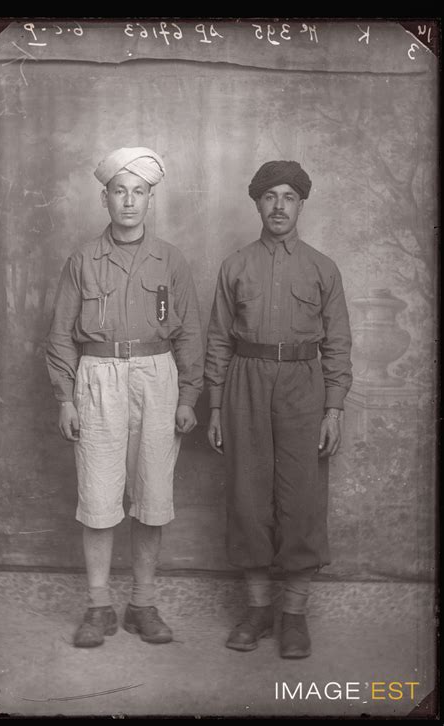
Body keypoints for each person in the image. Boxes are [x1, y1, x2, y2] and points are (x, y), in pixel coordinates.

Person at [46, 146, 203, 648]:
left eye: (138, 192)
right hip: (98, 378)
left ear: (150, 199)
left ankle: (143, 602)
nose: (128, 202)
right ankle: (98, 606)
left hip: (158, 378)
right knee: (98, 496)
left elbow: (190, 335)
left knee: (152, 496)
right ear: (105, 198)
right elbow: (59, 334)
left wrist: (189, 396)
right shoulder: (82, 260)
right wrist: (65, 398)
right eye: (119, 191)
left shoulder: (171, 261)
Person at [205, 160, 352, 658]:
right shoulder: (236, 266)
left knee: (301, 495)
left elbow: (338, 345)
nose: (279, 206)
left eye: (289, 197)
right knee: (248, 495)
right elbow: (219, 342)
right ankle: (257, 609)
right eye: (270, 197)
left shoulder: (322, 268)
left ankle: (294, 616)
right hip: (245, 382)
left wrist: (332, 410)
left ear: (302, 204)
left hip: (302, 386)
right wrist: (216, 407)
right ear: (257, 204)